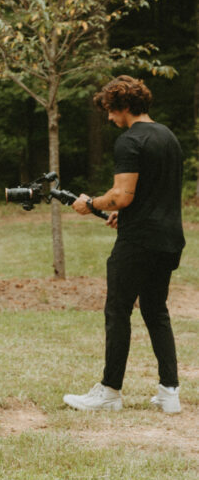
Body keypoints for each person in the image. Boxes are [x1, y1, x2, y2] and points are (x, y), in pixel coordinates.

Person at [65, 75, 184, 414]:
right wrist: (124, 213)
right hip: (169, 240)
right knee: (156, 311)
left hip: (138, 243)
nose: (109, 118)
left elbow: (121, 196)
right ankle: (169, 392)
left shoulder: (130, 140)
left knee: (118, 311)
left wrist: (91, 203)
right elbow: (153, 194)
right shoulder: (168, 137)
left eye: (111, 110)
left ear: (126, 106)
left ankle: (110, 391)